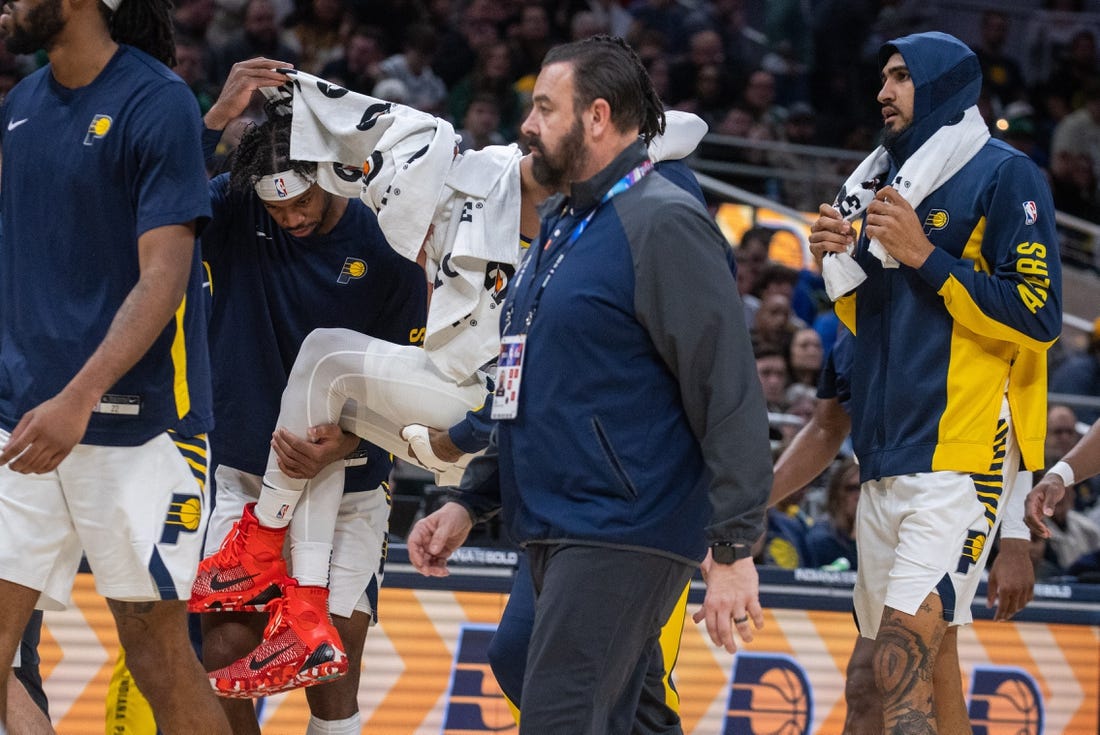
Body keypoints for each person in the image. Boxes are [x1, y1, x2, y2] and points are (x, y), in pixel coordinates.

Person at [190, 54, 712, 697]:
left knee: (325, 359)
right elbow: (373, 128)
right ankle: (301, 602)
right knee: (326, 397)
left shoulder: (586, 244)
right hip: (464, 433)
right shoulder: (493, 191)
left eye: (547, 112)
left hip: (506, 439)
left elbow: (541, 373)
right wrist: (250, 109)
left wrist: (462, 439)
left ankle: (274, 556)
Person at [407, 35, 772, 734]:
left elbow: (727, 387)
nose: (528, 124)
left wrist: (733, 547)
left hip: (623, 523)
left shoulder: (664, 221)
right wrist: (470, 500)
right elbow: (523, 385)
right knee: (613, 710)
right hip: (555, 517)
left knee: (559, 715)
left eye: (545, 107)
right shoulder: (564, 224)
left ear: (597, 116)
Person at [809, 31, 1060, 733]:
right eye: (882, 78)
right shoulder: (888, 184)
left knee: (903, 679)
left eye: (900, 77)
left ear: (945, 84)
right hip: (887, 459)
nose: (883, 93)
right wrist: (843, 262)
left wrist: (924, 254)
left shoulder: (1005, 175)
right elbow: (894, 325)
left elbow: (1039, 317)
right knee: (870, 682)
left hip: (958, 460)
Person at [0, 1, 230, 733]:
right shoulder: (21, 103)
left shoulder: (157, 99)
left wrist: (80, 395)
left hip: (141, 427)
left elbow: (163, 278)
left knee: (156, 650)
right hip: (26, 421)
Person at [187, 63, 428, 735]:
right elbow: (156, 198)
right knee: (226, 654)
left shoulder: (390, 243)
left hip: (348, 480)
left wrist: (350, 438)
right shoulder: (238, 209)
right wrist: (214, 119)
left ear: (329, 174)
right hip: (244, 470)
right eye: (277, 208)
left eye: (301, 203)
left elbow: (407, 379)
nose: (289, 217)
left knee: (333, 668)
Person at [771, 327, 1036, 734]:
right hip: (886, 487)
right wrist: (750, 504)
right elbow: (828, 426)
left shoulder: (950, 275)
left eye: (824, 255)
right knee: (868, 678)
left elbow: (1020, 399)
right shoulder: (853, 303)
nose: (820, 258)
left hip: (959, 479)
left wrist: (1015, 535)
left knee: (918, 663)